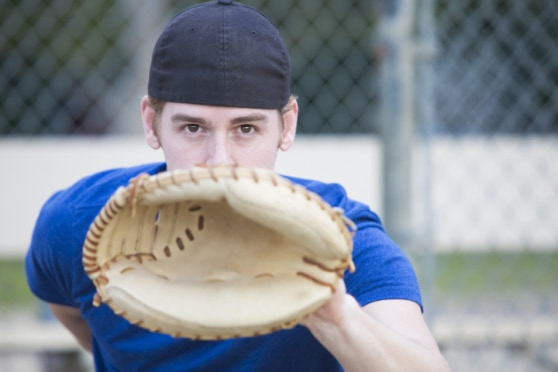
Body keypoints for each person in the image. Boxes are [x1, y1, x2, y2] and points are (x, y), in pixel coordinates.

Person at [25, 1, 450, 371]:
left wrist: (334, 314)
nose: (219, 162)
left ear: (287, 126)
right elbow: (70, 307)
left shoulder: (342, 242)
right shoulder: (81, 224)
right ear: (151, 123)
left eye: (246, 128)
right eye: (193, 127)